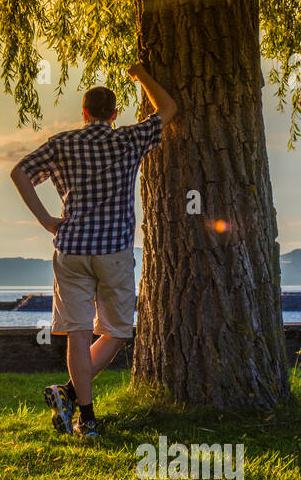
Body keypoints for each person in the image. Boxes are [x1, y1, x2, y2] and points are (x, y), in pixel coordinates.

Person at [11, 63, 178, 438]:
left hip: (70, 248)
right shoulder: (129, 139)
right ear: (114, 114)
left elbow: (19, 173)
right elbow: (167, 109)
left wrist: (45, 219)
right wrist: (141, 76)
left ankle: (81, 413)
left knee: (78, 333)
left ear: (84, 113)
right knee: (117, 331)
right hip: (114, 251)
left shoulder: (63, 143)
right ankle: (72, 401)